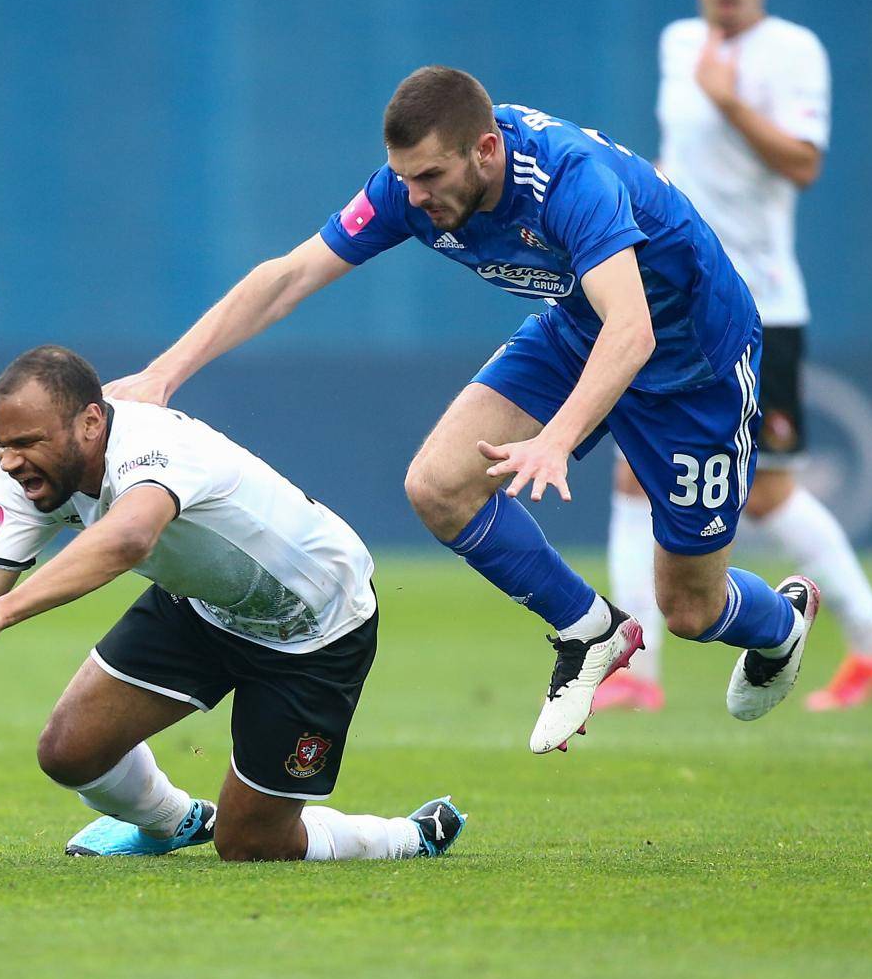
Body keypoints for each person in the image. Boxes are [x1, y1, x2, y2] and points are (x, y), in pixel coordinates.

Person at [108, 65, 820, 755]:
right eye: (403, 177)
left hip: (692, 368)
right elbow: (289, 276)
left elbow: (632, 330)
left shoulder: (571, 180)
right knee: (438, 486)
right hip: (575, 330)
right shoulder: (405, 189)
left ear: (486, 149)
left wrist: (557, 438)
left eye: (429, 178)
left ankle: (780, 622)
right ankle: (589, 628)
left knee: (690, 609)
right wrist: (165, 374)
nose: (413, 198)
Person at [0, 345, 466, 864]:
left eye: (28, 442)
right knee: (68, 750)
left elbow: (127, 537)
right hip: (203, 606)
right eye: (0, 445)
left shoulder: (154, 445)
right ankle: (174, 821)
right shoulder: (22, 480)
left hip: (314, 628)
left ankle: (403, 837)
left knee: (252, 845)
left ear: (91, 421)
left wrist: (4, 616)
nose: (10, 462)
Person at [600, 0, 872, 714]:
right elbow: (679, 162)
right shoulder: (679, 44)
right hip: (678, 304)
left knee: (767, 494)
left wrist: (732, 102)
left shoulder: (793, 51)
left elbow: (803, 163)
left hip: (758, 306)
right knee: (633, 473)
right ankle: (636, 668)